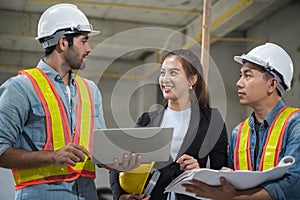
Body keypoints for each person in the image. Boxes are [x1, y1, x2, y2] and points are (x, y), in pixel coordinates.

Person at [0, 4, 140, 200]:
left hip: (87, 194)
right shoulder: (21, 88)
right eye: (84, 41)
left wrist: (121, 163)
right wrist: (53, 156)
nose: (89, 49)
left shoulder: (90, 90)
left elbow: (98, 151)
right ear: (63, 42)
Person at [182, 43, 300, 200]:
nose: (239, 83)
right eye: (241, 75)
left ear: (272, 84)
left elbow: (293, 184)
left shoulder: (294, 124)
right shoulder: (239, 132)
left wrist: (234, 197)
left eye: (248, 75)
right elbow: (233, 182)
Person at [109, 49, 228, 200]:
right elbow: (117, 161)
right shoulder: (147, 120)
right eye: (162, 73)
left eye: (173, 73)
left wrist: (200, 172)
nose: (165, 79)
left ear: (192, 80)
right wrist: (121, 196)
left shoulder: (212, 120)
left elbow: (223, 174)